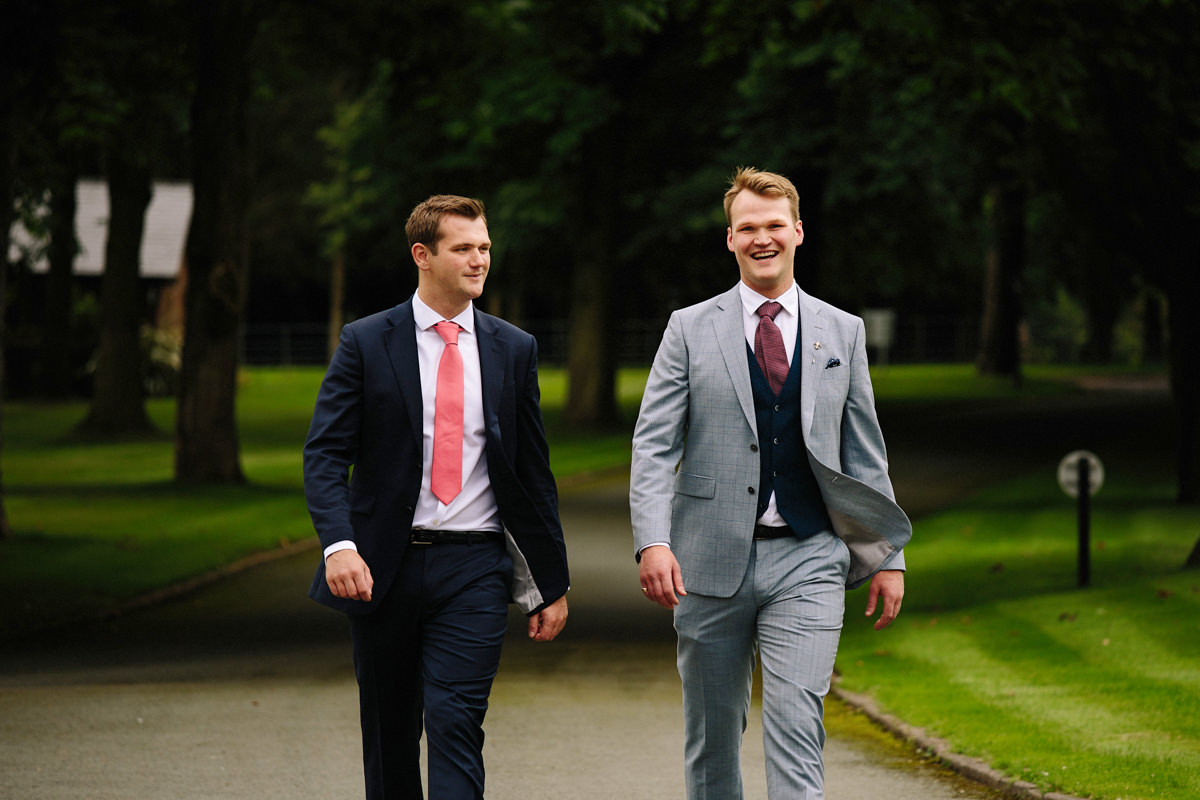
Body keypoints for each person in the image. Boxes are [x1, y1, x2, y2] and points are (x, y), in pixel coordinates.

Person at [630, 167, 911, 799]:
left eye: (774, 226)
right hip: (705, 560)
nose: (763, 238)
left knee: (797, 724)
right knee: (712, 734)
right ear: (729, 239)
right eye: (748, 228)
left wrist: (887, 556)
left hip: (810, 557)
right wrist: (653, 542)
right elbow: (653, 444)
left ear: (798, 232)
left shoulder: (844, 331)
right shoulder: (688, 328)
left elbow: (865, 453)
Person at [304, 194, 570, 799]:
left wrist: (551, 581)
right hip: (381, 568)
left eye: (485, 249)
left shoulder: (514, 348)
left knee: (455, 722)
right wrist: (338, 545)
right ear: (423, 255)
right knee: (390, 733)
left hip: (473, 567)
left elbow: (533, 474)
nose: (479, 261)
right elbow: (324, 454)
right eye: (464, 249)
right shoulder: (367, 343)